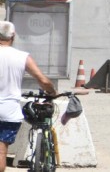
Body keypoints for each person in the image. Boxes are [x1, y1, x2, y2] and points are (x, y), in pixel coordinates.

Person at [0, 21, 56, 172]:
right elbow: (43, 80)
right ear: (13, 36)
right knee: (1, 152)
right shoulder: (22, 57)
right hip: (8, 112)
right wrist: (51, 92)